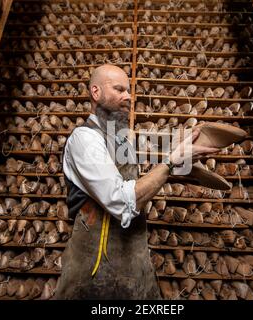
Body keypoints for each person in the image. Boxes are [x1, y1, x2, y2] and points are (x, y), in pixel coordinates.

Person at [54, 64, 218, 299]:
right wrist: (171, 163)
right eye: (119, 89)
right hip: (94, 272)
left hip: (134, 263)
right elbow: (120, 201)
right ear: (96, 92)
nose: (128, 96)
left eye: (129, 91)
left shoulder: (121, 137)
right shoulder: (85, 139)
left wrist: (189, 143)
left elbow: (156, 145)